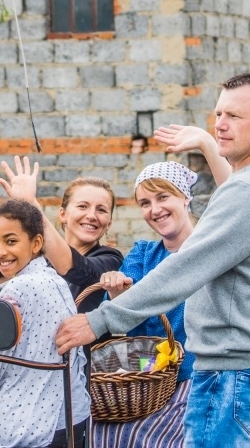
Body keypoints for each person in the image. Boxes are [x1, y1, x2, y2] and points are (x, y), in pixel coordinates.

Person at [56, 72, 250, 448]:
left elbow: (184, 268)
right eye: (218, 114)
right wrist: (209, 144)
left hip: (233, 376)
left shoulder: (249, 190)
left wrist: (101, 320)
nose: (221, 124)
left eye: (234, 116)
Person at [0, 199, 90, 448]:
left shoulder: (16, 289)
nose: (0, 252)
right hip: (70, 418)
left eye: (11, 241)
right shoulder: (56, 281)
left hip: (25, 425)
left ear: (36, 243)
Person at [92, 162, 202, 448]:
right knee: (99, 434)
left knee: (147, 439)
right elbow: (122, 317)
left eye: (163, 197)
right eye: (145, 202)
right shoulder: (143, 253)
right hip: (142, 382)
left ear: (185, 197)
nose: (155, 210)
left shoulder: (207, 251)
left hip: (192, 376)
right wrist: (117, 293)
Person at [0, 159, 123, 298]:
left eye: (101, 210)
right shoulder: (39, 261)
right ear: (63, 215)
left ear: (109, 223)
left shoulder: (112, 259)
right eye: (82, 206)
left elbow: (76, 269)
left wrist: (32, 206)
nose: (92, 216)